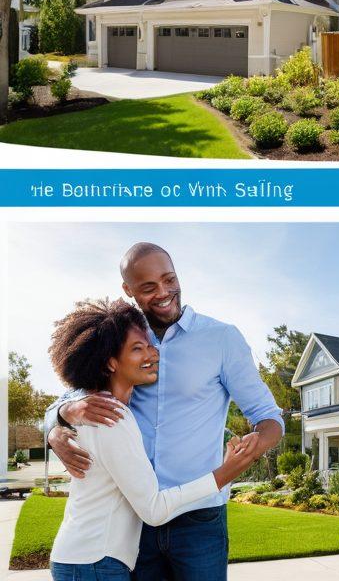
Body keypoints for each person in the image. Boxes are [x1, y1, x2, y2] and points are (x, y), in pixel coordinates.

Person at [45, 243, 284, 581]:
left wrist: (255, 445)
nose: (163, 292)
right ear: (128, 290)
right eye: (148, 287)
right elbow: (67, 401)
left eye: (169, 280)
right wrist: (56, 426)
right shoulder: (117, 340)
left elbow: (269, 416)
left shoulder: (221, 338)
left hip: (199, 518)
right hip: (135, 518)